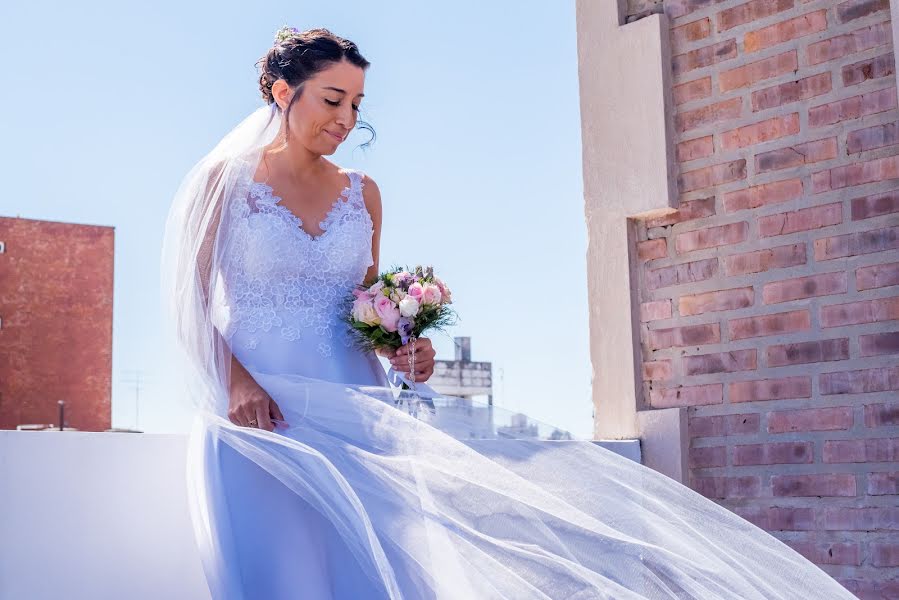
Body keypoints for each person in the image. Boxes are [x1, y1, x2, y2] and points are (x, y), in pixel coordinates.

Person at [160, 26, 856, 600]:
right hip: (259, 415)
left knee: (367, 576)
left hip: (356, 405)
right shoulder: (221, 184)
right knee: (276, 579)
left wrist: (404, 346)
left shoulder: (361, 192)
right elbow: (188, 300)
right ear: (284, 92)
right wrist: (238, 382)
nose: (346, 121)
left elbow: (361, 303)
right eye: (331, 101)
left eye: (357, 105)